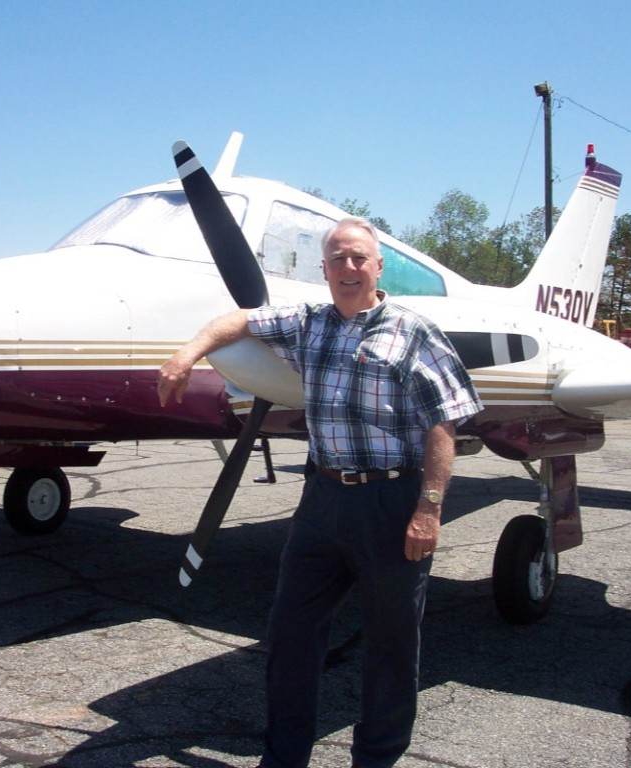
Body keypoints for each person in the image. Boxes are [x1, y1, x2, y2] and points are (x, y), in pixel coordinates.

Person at [157, 217, 483, 768]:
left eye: (359, 258)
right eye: (337, 259)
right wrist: (187, 353)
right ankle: (284, 758)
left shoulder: (413, 330)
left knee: (390, 646)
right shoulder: (309, 322)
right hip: (322, 500)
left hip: (392, 502)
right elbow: (240, 319)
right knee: (289, 635)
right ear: (324, 270)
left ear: (378, 267)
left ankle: (375, 760)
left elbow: (443, 424)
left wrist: (429, 509)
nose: (348, 268)